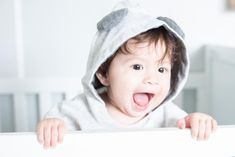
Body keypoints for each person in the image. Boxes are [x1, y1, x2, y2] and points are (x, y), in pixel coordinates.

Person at [37, 0, 217, 149]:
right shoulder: (80, 111)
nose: (152, 79)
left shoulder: (166, 115)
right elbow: (50, 127)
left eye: (161, 70)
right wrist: (52, 126)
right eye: (137, 67)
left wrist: (196, 121)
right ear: (103, 72)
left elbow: (187, 132)